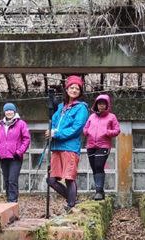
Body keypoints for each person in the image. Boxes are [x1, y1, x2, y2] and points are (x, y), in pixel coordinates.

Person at [46, 75, 88, 211]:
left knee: (69, 178)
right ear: (67, 89)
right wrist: (50, 131)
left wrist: (56, 133)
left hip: (70, 147)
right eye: (72, 87)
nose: (74, 90)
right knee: (51, 180)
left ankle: (71, 206)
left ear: (80, 92)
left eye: (77, 88)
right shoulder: (60, 107)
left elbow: (76, 128)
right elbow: (54, 123)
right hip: (56, 147)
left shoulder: (81, 108)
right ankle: (72, 199)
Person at [83, 94, 120, 200]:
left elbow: (117, 130)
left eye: (104, 104)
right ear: (96, 105)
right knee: (94, 168)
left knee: (99, 166)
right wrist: (87, 131)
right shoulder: (91, 116)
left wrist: (107, 132)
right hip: (90, 145)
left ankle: (98, 192)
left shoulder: (111, 117)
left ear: (107, 105)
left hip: (103, 145)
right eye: (99, 103)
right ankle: (100, 191)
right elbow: (85, 128)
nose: (101, 106)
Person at [0, 102, 30, 203]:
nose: (9, 112)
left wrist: (19, 152)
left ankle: (12, 202)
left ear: (14, 111)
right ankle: (9, 201)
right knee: (6, 181)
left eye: (10, 110)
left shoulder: (21, 124)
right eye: (6, 110)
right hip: (3, 156)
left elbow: (26, 139)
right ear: (4, 112)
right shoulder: (1, 125)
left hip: (15, 157)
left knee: (12, 180)